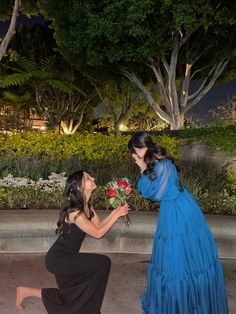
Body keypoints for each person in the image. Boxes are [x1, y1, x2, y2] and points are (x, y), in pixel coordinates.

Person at [128, 132, 228, 314]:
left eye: (135, 152)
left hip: (180, 213)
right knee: (177, 257)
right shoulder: (156, 162)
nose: (135, 156)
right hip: (174, 208)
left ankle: (185, 304)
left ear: (141, 148)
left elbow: (153, 194)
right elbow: (150, 190)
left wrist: (142, 169)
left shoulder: (164, 163)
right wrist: (144, 168)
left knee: (178, 258)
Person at [16, 170, 129, 314]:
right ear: (79, 187)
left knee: (71, 294)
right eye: (88, 178)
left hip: (68, 256)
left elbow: (99, 225)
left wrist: (116, 212)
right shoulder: (76, 213)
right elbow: (98, 234)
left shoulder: (87, 205)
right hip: (59, 259)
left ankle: (25, 291)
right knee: (103, 263)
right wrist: (117, 214)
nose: (93, 178)